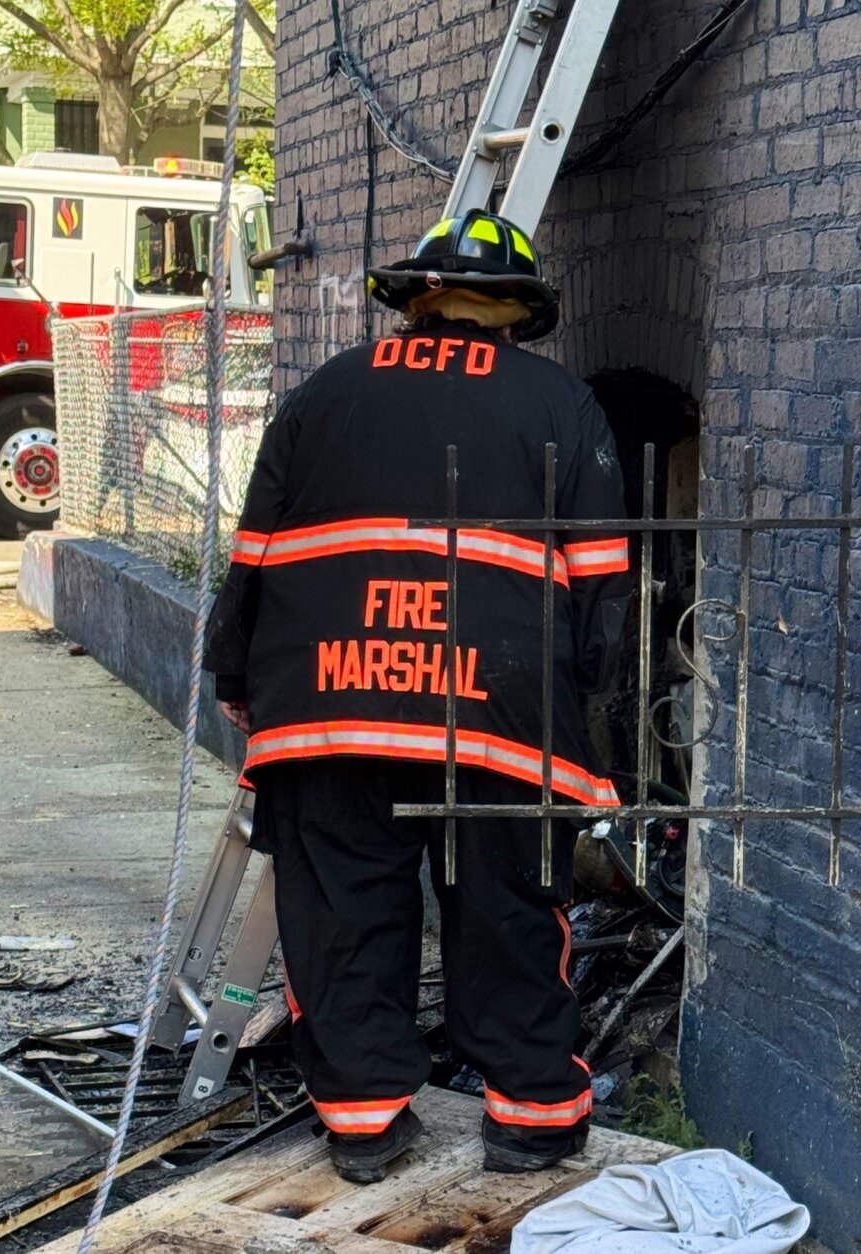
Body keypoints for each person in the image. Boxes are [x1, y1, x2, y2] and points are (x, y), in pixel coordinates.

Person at [204, 209, 631, 1185]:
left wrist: (238, 676)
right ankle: (531, 1120)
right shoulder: (560, 403)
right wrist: (586, 718)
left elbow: (255, 552)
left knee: (343, 911)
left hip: (328, 697)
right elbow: (604, 586)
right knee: (506, 908)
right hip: (495, 710)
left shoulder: (324, 392)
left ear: (419, 297)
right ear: (514, 311)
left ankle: (364, 1125)